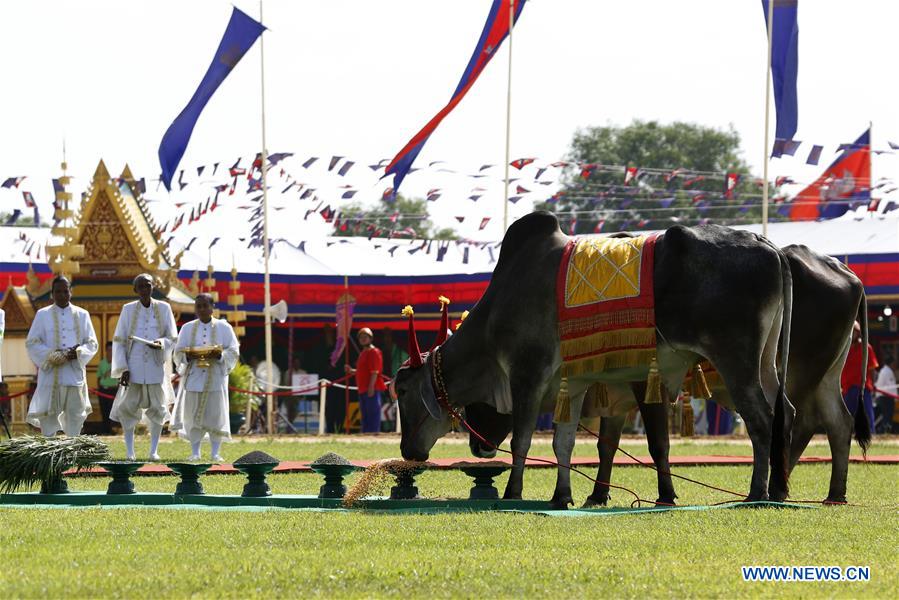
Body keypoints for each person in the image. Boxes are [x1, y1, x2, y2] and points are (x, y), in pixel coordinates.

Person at [110, 274, 178, 460]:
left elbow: (172, 337)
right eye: (141, 286)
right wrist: (123, 368)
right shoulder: (128, 309)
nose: (145, 289)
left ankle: (153, 451)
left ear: (153, 286)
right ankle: (129, 452)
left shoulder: (164, 308)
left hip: (156, 367)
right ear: (135, 290)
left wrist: (161, 343)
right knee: (128, 409)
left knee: (158, 409)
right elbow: (119, 340)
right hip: (134, 368)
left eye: (148, 285)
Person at [25, 276, 98, 436]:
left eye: (65, 291)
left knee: (75, 416)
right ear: (52, 294)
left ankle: (73, 448)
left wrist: (77, 353)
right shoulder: (42, 315)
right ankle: (49, 448)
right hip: (51, 376)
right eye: (58, 291)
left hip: (74, 376)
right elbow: (32, 342)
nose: (62, 295)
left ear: (71, 292)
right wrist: (51, 355)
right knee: (48, 417)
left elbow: (92, 343)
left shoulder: (82, 314)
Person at [171, 293, 239, 460]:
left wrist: (219, 355)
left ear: (212, 307)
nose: (201, 309)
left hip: (215, 378)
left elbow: (233, 351)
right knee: (193, 416)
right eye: (198, 306)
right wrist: (188, 356)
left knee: (215, 416)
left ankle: (215, 453)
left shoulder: (224, 327)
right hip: (194, 378)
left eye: (205, 306)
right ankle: (195, 452)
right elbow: (177, 353)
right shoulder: (187, 328)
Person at [344, 327, 386, 433]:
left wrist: (371, 387)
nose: (363, 339)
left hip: (371, 389)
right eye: (361, 337)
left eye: (365, 337)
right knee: (365, 415)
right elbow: (362, 371)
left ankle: (373, 434)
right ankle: (366, 435)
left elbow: (375, 372)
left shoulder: (374, 352)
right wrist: (351, 371)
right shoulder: (363, 353)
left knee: (372, 415)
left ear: (370, 338)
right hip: (362, 389)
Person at [840, 320, 878, 436]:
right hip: (847, 389)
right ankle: (844, 435)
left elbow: (872, 369)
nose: (852, 334)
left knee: (867, 414)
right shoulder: (843, 349)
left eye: (855, 331)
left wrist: (873, 385)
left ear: (859, 333)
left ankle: (871, 435)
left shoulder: (866, 347)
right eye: (850, 331)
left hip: (863, 388)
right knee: (845, 416)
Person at [95, 342, 118, 434]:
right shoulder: (102, 363)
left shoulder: (117, 364)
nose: (110, 352)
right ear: (106, 351)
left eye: (112, 350)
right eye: (109, 350)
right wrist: (99, 390)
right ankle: (105, 431)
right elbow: (98, 377)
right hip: (103, 391)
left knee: (113, 411)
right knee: (104, 411)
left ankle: (114, 430)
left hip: (114, 390)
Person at [281, 354, 307, 431]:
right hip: (290, 396)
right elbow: (286, 384)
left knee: (296, 411)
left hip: (300, 396)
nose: (297, 364)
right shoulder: (288, 372)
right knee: (290, 411)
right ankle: (289, 425)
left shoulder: (303, 372)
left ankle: (292, 425)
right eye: (295, 362)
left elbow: (307, 385)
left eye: (298, 363)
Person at [874, 355, 897, 434]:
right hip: (885, 397)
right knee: (887, 416)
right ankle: (883, 431)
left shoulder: (884, 370)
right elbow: (891, 388)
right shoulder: (887, 371)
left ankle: (882, 431)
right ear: (892, 363)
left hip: (882, 397)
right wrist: (896, 397)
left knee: (883, 416)